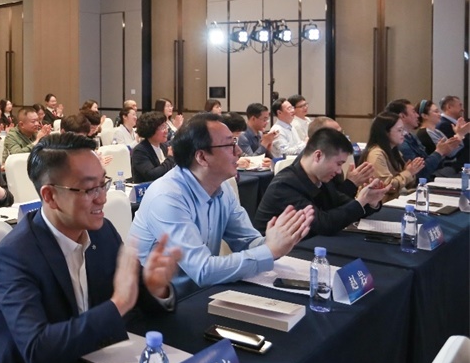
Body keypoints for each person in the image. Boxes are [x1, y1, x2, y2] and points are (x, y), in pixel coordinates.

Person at [0, 133, 182, 363]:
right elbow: (38, 348)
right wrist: (117, 304)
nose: (102, 197)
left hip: (88, 360)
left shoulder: (103, 232)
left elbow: (137, 300)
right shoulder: (15, 254)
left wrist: (156, 288)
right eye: (89, 189)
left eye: (103, 184)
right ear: (50, 196)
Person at [128, 114, 313, 298]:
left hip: (201, 293)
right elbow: (202, 270)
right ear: (202, 157)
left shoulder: (222, 187)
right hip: (159, 303)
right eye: (229, 145)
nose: (238, 151)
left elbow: (247, 242)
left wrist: (278, 241)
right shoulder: (167, 197)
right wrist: (269, 250)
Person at [254, 128, 388, 235]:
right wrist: (361, 201)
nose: (339, 171)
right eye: (338, 164)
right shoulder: (284, 185)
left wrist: (371, 202)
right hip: (275, 254)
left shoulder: (321, 178)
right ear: (318, 156)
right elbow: (323, 224)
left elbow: (342, 205)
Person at [385, 99, 461, 180]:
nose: (417, 115)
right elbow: (420, 173)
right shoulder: (401, 143)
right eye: (413, 112)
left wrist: (442, 151)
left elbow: (425, 160)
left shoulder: (411, 136)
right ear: (402, 116)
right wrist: (439, 152)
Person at [359, 112, 425, 203]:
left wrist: (409, 172)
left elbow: (404, 184)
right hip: (379, 205)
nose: (404, 133)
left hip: (394, 200)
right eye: (399, 130)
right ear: (386, 132)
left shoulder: (394, 150)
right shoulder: (376, 155)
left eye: (403, 129)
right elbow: (387, 187)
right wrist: (408, 172)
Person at [131, 111, 175, 183]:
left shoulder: (164, 146)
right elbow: (152, 175)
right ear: (151, 129)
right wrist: (170, 158)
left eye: (166, 126)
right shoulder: (140, 151)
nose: (166, 131)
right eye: (162, 127)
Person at [435, 95, 468, 165]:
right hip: (458, 166)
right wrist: (463, 132)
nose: (462, 109)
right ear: (449, 107)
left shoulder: (454, 123)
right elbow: (454, 150)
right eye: (460, 105)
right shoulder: (443, 125)